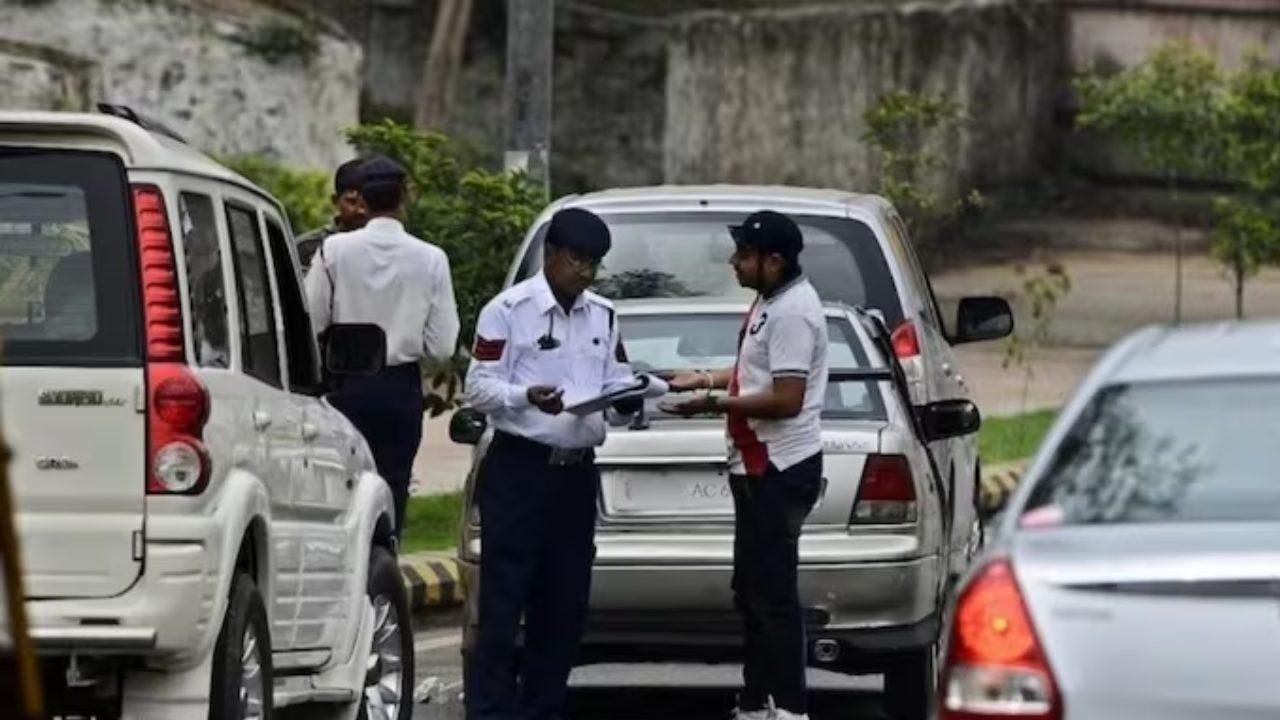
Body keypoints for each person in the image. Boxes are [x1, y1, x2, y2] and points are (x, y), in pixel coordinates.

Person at [464, 208, 669, 720]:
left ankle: (544, 707)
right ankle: (490, 710)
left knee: (564, 602)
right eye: (578, 260)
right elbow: (478, 387)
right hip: (520, 468)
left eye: (595, 263)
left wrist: (627, 398)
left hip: (575, 472)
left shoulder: (603, 314)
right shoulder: (508, 310)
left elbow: (615, 375)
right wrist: (525, 396)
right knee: (505, 599)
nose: (586, 273)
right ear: (552, 255)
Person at [664, 210, 829, 720]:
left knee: (772, 595)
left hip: (777, 466)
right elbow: (756, 372)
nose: (734, 263)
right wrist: (706, 380)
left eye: (744, 255)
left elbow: (786, 398)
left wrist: (713, 406)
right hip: (755, 465)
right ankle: (758, 700)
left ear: (773, 261)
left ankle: (789, 707)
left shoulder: (793, 312)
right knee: (752, 590)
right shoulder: (771, 302)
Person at [304, 156, 459, 538]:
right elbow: (442, 346)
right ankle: (383, 573)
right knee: (393, 489)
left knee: (341, 488)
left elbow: (312, 322)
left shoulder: (333, 251)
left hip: (344, 385)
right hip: (398, 389)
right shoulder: (432, 258)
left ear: (363, 201)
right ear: (403, 198)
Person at [296, 158, 367, 273]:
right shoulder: (307, 248)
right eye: (352, 202)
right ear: (335, 200)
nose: (360, 210)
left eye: (366, 202)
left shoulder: (388, 248)